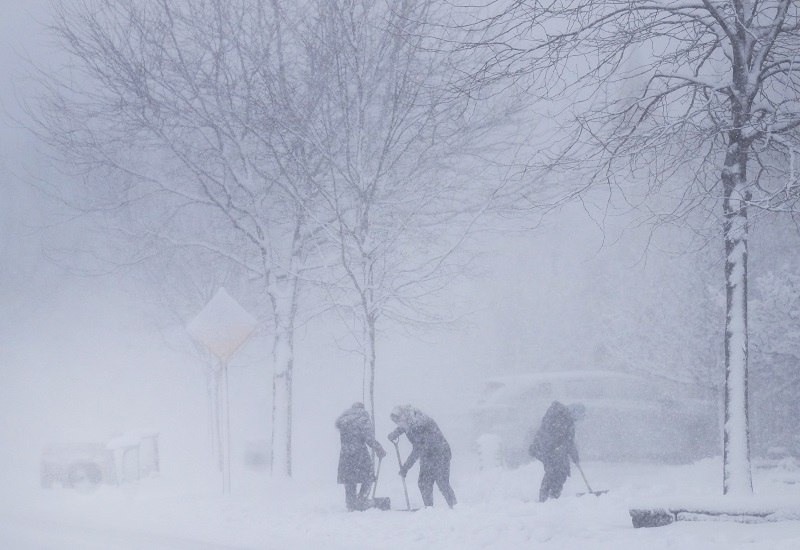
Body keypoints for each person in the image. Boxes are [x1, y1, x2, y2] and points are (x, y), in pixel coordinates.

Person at [387, 405, 457, 508]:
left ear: (404, 416)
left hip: (440, 453)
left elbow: (418, 449)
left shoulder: (420, 424)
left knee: (442, 483)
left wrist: (405, 468)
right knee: (424, 483)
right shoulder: (411, 419)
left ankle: (455, 507)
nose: (399, 424)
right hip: (427, 455)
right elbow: (405, 426)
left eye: (399, 421)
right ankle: (429, 509)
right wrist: (395, 433)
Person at [528, 401, 585, 502]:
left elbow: (569, 442)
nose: (578, 420)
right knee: (553, 470)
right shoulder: (559, 418)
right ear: (574, 413)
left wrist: (574, 456)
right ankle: (545, 498)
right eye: (579, 416)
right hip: (545, 448)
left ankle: (553, 496)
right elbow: (549, 437)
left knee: (562, 471)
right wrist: (554, 451)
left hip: (553, 449)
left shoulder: (568, 421)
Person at [335, 402, 386, 511]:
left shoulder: (343, 421)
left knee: (349, 480)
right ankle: (362, 499)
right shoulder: (363, 420)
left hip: (345, 454)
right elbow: (368, 438)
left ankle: (351, 504)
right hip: (359, 454)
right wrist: (379, 448)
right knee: (368, 476)